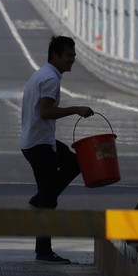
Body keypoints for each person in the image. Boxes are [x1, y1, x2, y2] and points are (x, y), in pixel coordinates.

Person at [20, 35, 93, 263]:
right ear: (55, 55)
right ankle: (43, 251)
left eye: (73, 55)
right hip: (39, 144)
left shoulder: (42, 74)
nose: (72, 60)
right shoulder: (50, 79)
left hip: (39, 140)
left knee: (74, 163)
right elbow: (45, 112)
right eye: (69, 56)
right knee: (49, 200)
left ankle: (39, 198)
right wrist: (76, 109)